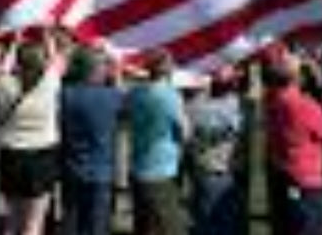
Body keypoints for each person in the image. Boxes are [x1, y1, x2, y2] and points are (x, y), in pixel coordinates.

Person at [0, 27, 66, 235]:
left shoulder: (4, 85)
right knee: (33, 223)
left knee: (12, 220)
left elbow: (3, 69)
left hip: (11, 155)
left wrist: (15, 43)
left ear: (18, 63)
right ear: (41, 62)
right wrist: (47, 35)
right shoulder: (49, 84)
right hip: (41, 156)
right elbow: (56, 62)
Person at [262, 44, 322, 235]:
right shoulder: (303, 105)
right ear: (297, 77)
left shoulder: (271, 100)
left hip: (285, 175)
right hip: (308, 181)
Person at [60, 44, 125, 235]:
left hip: (71, 168)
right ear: (95, 70)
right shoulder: (111, 96)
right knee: (96, 225)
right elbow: (123, 102)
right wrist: (117, 72)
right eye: (103, 66)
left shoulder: (65, 94)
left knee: (72, 222)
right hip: (100, 172)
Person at [127, 48, 187, 235]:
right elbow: (184, 132)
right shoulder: (170, 96)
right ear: (165, 67)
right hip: (161, 171)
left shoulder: (135, 93)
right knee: (172, 228)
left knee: (143, 226)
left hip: (138, 167)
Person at [185, 64, 246, 235]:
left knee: (202, 218)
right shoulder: (234, 106)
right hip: (220, 171)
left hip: (200, 168)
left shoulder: (193, 106)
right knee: (220, 221)